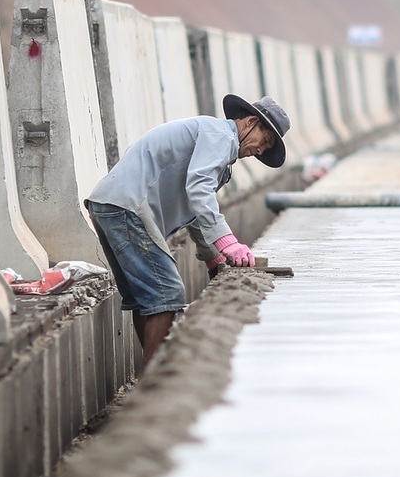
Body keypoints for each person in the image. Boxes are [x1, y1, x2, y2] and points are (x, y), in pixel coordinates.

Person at [84, 94, 290, 369]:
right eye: (264, 141)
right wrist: (228, 243)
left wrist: (213, 257)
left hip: (109, 204)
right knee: (166, 292)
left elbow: (194, 209)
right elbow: (199, 190)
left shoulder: (213, 141)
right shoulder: (220, 136)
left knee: (145, 297)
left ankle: (149, 373)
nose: (261, 151)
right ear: (250, 122)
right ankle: (155, 379)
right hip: (127, 207)